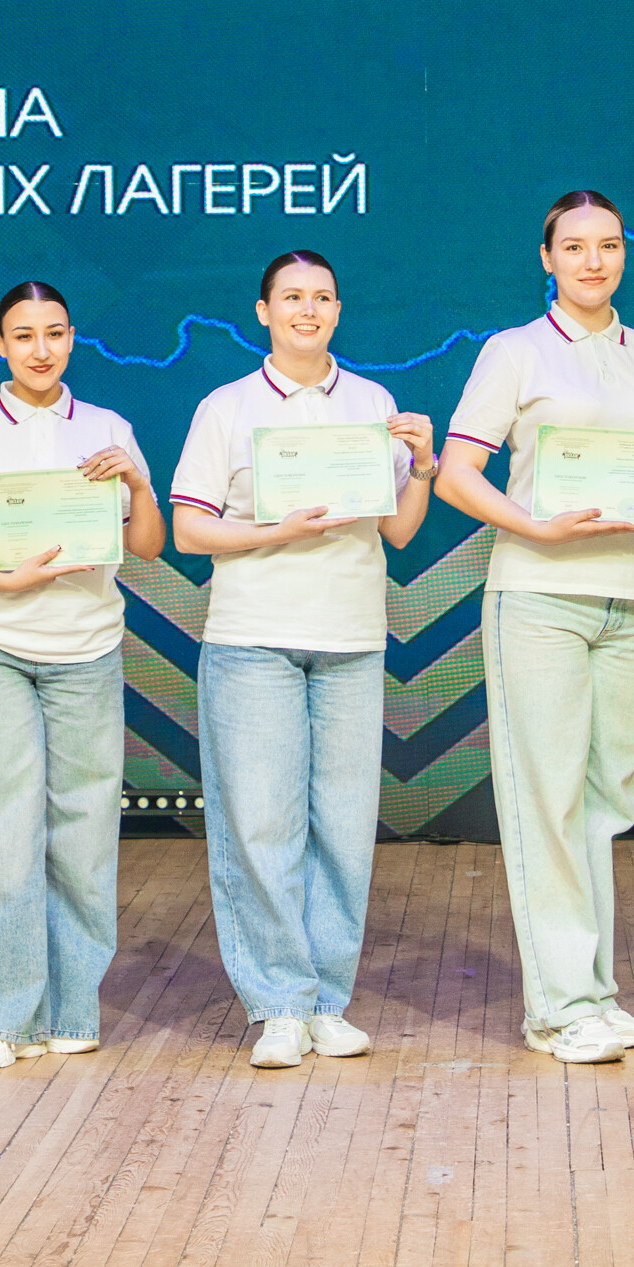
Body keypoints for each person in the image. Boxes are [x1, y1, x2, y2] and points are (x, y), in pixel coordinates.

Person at [436, 189, 634, 1066]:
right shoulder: (515, 352)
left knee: (604, 804)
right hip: (540, 595)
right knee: (545, 801)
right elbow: (455, 473)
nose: (595, 260)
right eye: (576, 246)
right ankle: (557, 1009)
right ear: (547, 258)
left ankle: (595, 993)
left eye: (610, 245)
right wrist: (536, 527)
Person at [170, 251, 436, 1071]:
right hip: (252, 637)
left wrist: (424, 467)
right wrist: (275, 531)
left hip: (352, 637)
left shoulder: (372, 403)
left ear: (338, 310)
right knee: (261, 825)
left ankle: (327, 1003)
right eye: (292, 297)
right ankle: (279, 1006)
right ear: (264, 312)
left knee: (345, 829)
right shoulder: (227, 406)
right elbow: (188, 529)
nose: (308, 310)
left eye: (322, 297)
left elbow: (400, 530)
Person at [0, 280, 165, 1070]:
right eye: (23, 336)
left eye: (54, 333)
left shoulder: (109, 428)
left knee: (83, 831)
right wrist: (2, 580)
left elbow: (148, 546)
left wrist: (138, 484)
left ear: (72, 337)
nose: (41, 349)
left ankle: (71, 1007)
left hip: (87, 648)